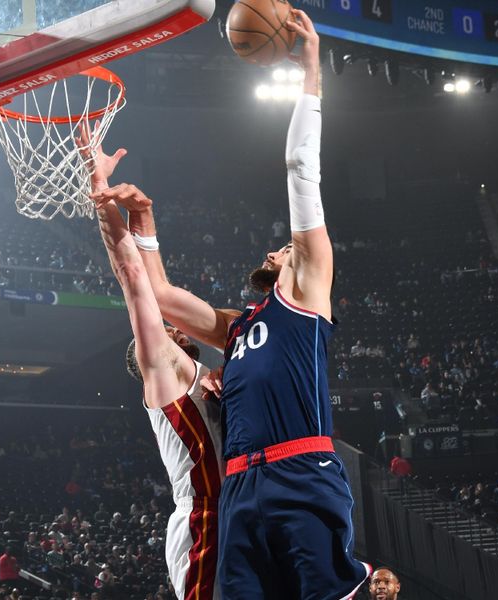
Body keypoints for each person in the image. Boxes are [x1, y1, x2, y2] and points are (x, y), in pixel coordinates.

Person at [90, 10, 370, 599]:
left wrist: (312, 70)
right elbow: (161, 296)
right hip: (240, 490)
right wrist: (141, 217)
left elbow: (300, 169)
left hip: (301, 472)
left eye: (287, 244)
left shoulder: (309, 292)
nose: (282, 244)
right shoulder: (238, 328)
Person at [80, 122, 223, 600]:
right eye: (158, 334)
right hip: (206, 517)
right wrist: (98, 186)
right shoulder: (166, 374)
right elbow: (135, 280)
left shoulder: (208, 369)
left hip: (241, 507)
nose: (166, 327)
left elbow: (160, 287)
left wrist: (145, 220)